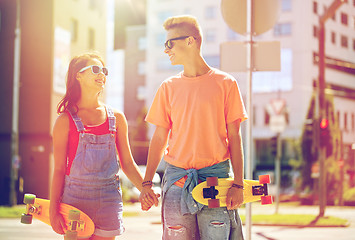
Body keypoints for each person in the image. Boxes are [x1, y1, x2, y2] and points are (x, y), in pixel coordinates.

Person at [139, 15, 248, 240]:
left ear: (190, 41)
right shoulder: (168, 88)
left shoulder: (226, 84)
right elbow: (159, 139)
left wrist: (238, 183)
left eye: (169, 43)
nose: (166, 50)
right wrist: (147, 183)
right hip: (177, 183)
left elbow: (235, 138)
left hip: (216, 183)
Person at [50, 52, 153, 240]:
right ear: (78, 75)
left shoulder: (117, 118)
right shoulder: (65, 121)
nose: (102, 74)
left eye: (104, 70)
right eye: (95, 69)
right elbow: (58, 170)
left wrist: (145, 188)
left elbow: (128, 164)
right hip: (75, 201)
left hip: (108, 200)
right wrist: (53, 210)